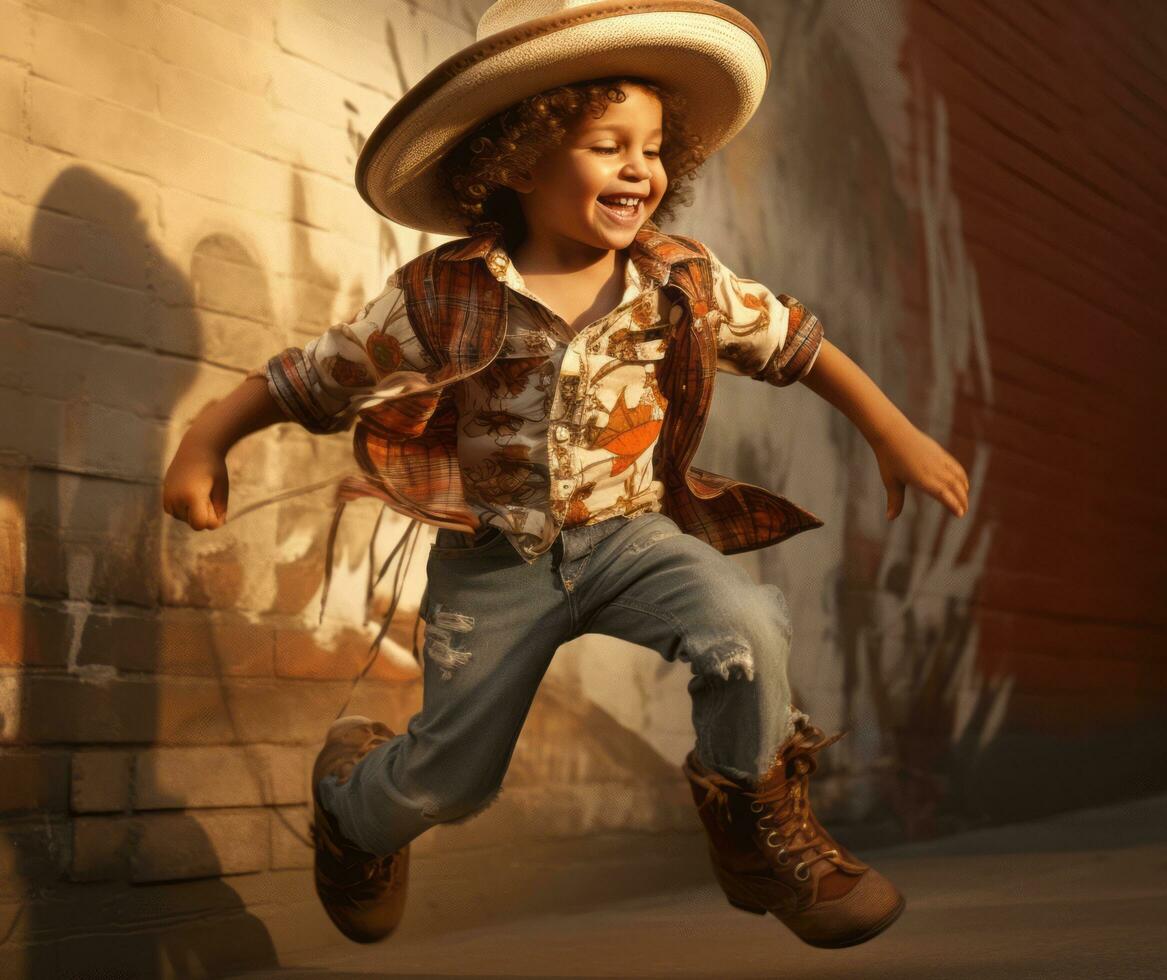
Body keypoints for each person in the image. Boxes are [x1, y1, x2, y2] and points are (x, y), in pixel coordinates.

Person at [162, 0, 969, 950]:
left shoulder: (681, 280)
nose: (640, 168)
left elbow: (793, 342)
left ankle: (756, 825)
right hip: (496, 562)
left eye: (655, 149)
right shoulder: (443, 294)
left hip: (633, 541)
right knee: (447, 781)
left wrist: (892, 431)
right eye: (606, 145)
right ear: (520, 157)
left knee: (742, 626)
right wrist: (207, 439)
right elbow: (316, 373)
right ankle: (353, 807)